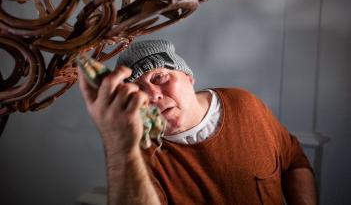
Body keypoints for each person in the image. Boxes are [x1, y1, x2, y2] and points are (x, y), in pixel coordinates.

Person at [78, 39, 318, 204]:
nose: (152, 95)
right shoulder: (140, 152)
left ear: (189, 77)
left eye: (159, 77)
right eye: (137, 90)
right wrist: (120, 146)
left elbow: (294, 162)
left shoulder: (244, 104)